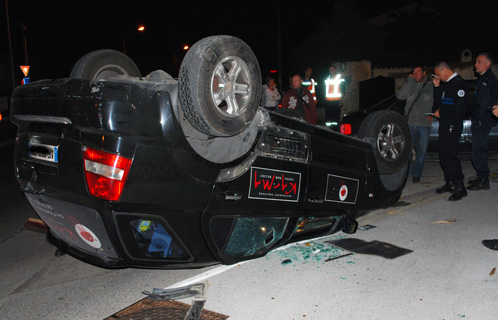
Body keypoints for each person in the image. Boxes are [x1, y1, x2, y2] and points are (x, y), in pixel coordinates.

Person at [432, 61, 469, 201]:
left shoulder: (459, 84)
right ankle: (450, 182)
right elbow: (440, 103)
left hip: (452, 124)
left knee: (450, 154)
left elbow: (459, 109)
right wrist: (436, 87)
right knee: (443, 153)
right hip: (445, 124)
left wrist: (442, 114)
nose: (437, 77)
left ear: (444, 70)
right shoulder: (447, 85)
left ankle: (460, 186)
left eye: (438, 74)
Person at [396, 66, 434, 183]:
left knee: (421, 152)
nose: (416, 74)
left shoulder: (431, 86)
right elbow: (400, 96)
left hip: (424, 124)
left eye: (418, 72)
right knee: (407, 151)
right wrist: (410, 81)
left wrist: (433, 114)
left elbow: (439, 100)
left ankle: (417, 173)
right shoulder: (410, 84)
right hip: (410, 124)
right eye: (414, 72)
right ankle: (405, 174)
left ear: (424, 73)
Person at [468, 53, 498, 190]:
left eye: (479, 62)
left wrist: (478, 117)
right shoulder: (483, 79)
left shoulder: (489, 80)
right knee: (477, 150)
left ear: (487, 63)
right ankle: (481, 176)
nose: (475, 65)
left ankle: (483, 179)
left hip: (483, 120)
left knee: (479, 150)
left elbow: (484, 103)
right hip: (480, 119)